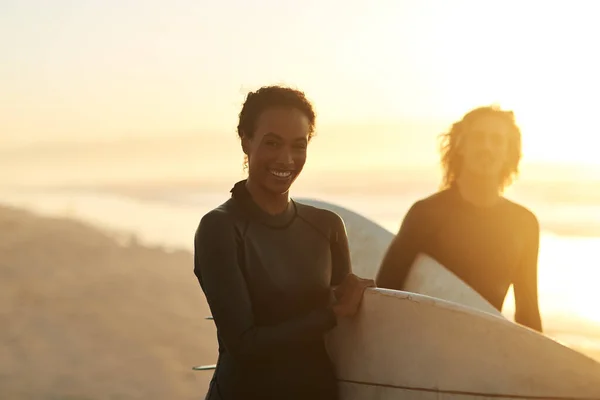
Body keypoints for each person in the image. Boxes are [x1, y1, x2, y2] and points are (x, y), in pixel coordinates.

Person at [194, 85, 374, 400]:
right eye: (272, 143)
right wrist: (332, 313)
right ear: (246, 141)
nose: (286, 159)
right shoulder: (220, 228)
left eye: (298, 145)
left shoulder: (327, 226)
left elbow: (343, 341)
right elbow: (244, 344)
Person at [375, 105, 543, 332]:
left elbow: (528, 312)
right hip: (425, 342)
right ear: (461, 145)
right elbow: (386, 293)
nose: (486, 147)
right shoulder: (426, 213)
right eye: (478, 138)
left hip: (482, 349)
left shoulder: (524, 223)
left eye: (496, 140)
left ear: (508, 151)